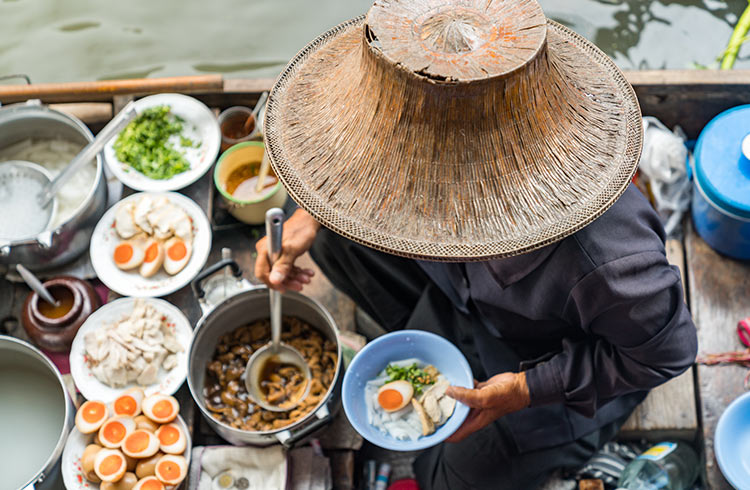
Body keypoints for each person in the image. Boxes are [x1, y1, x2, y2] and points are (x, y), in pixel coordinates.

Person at [254, 0, 698, 488]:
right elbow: (360, 164)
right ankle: (433, 335)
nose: (397, 189)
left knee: (445, 475)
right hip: (467, 297)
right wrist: (309, 214)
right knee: (336, 237)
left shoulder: (608, 262)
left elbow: (667, 354)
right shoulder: (401, 160)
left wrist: (526, 389)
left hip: (544, 353)